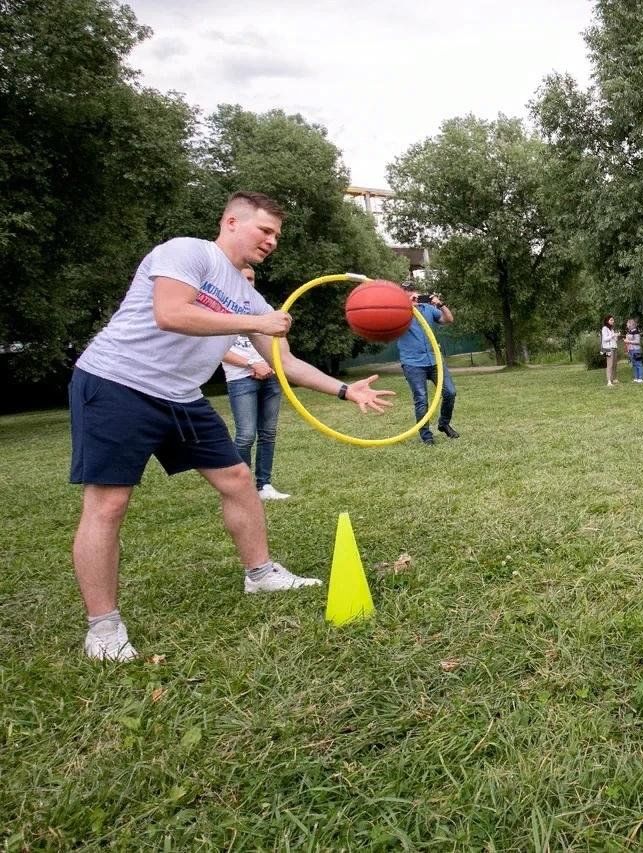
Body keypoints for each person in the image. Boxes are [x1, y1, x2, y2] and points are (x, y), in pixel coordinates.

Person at [70, 191, 394, 662]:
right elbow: (172, 313)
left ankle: (259, 574)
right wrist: (255, 318)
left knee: (239, 479)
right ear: (231, 221)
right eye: (265, 231)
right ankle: (103, 628)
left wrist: (346, 391)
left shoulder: (247, 295)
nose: (272, 241)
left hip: (180, 395)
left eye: (277, 235)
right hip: (119, 382)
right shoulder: (188, 252)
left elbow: (285, 362)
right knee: (109, 502)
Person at [221, 266, 291, 500]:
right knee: (245, 435)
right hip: (241, 379)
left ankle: (265, 485)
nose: (247, 282)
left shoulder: (262, 310)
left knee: (268, 433)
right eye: (243, 278)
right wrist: (252, 365)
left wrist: (274, 364)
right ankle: (242, 488)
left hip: (270, 376)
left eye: (251, 278)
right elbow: (219, 350)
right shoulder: (221, 310)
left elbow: (277, 341)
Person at [397, 291, 458, 444]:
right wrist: (406, 307)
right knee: (421, 399)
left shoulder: (428, 309)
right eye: (410, 295)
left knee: (450, 392)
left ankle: (444, 424)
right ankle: (426, 436)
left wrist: (440, 304)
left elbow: (449, 319)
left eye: (416, 295)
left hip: (434, 360)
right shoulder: (399, 313)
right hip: (413, 363)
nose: (415, 298)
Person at [625, 318, 643, 383]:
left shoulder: (636, 332)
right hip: (631, 350)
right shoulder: (630, 332)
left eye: (627, 323)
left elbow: (637, 341)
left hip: (636, 350)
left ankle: (640, 378)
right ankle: (636, 377)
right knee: (634, 364)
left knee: (639, 364)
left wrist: (628, 341)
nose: (626, 325)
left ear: (631, 324)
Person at [601, 315, 619, 386]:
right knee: (610, 364)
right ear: (607, 321)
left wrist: (616, 336)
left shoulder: (611, 329)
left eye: (613, 320)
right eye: (611, 320)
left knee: (615, 364)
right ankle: (609, 381)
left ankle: (614, 379)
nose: (613, 321)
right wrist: (613, 335)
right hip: (608, 348)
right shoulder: (604, 328)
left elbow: (614, 339)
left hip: (614, 347)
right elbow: (605, 339)